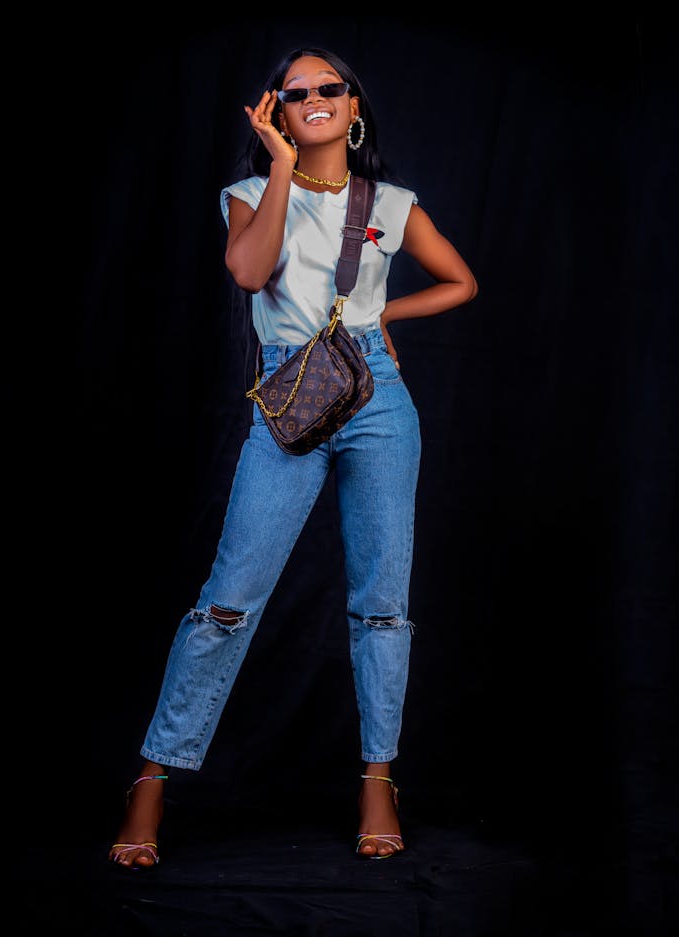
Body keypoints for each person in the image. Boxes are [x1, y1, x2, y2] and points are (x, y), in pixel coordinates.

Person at [109, 45, 478, 869]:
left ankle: (378, 779)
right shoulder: (246, 193)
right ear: (274, 110)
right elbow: (248, 273)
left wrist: (389, 321)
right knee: (228, 599)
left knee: (383, 599)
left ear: (354, 108)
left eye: (329, 89)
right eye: (294, 91)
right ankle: (152, 780)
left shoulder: (392, 201)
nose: (313, 98)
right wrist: (278, 165)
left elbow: (460, 280)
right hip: (289, 394)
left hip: (377, 395)